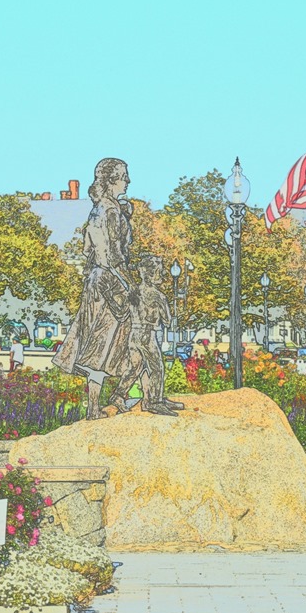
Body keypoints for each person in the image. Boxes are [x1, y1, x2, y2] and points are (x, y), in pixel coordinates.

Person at [53, 158, 134, 419]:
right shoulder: (109, 211)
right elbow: (113, 256)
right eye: (123, 176)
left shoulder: (100, 209)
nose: (128, 181)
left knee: (100, 344)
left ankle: (100, 404)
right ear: (111, 180)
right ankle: (109, 401)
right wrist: (132, 285)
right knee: (110, 343)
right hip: (111, 281)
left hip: (96, 281)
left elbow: (88, 249)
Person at [111, 256, 182, 416]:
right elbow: (167, 320)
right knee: (157, 368)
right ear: (150, 274)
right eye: (159, 271)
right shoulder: (157, 296)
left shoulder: (133, 293)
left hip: (134, 335)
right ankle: (155, 402)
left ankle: (118, 395)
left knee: (135, 368)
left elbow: (122, 314)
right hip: (147, 335)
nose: (162, 275)